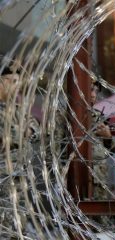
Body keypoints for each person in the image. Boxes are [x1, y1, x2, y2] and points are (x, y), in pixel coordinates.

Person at [0, 64, 40, 238]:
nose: (17, 86)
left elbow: (36, 129)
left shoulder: (18, 109)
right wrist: (20, 131)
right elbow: (6, 136)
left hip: (19, 179)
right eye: (12, 81)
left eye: (19, 81)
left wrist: (23, 131)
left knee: (18, 227)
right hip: (2, 181)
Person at [90, 80, 115, 200]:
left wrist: (107, 137)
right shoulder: (65, 115)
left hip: (99, 180)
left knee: (100, 217)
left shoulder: (98, 116)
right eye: (90, 89)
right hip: (73, 182)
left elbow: (111, 150)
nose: (93, 94)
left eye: (95, 91)